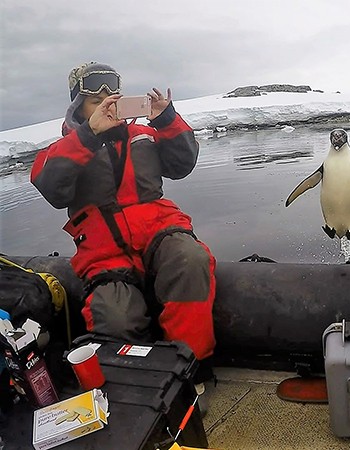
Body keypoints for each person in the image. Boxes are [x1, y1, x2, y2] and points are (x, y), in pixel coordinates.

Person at [30, 62, 216, 410]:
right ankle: (143, 387)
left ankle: (193, 372)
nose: (106, 102)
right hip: (105, 250)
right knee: (115, 316)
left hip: (158, 226)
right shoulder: (66, 147)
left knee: (190, 260)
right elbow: (52, 188)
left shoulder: (143, 134)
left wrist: (166, 119)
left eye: (110, 92)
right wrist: (88, 136)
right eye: (93, 99)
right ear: (77, 105)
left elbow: (183, 163)